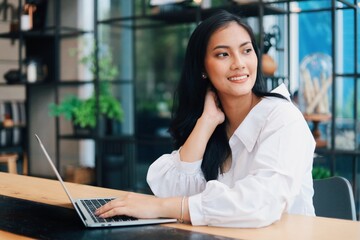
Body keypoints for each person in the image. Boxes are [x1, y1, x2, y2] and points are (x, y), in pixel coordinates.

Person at [95, 10, 316, 228]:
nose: (239, 63)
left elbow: (261, 203)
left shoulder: (284, 118)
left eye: (246, 50)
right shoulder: (217, 124)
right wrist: (207, 121)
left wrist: (159, 207)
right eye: (223, 54)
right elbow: (172, 190)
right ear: (202, 68)